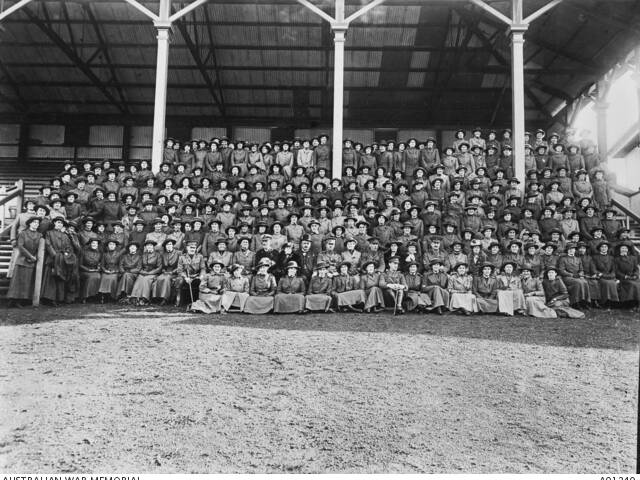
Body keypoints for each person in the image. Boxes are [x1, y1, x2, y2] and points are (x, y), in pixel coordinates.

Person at [41, 217, 79, 305]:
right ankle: (49, 299)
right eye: (58, 222)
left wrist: (66, 254)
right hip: (52, 259)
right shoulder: (49, 233)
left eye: (61, 223)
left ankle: (59, 298)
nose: (59, 224)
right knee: (51, 278)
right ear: (54, 223)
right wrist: (55, 256)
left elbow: (68, 247)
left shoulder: (65, 236)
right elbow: (48, 244)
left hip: (63, 260)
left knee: (60, 279)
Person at [6, 216, 42, 308]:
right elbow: (20, 246)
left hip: (31, 261)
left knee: (26, 282)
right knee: (17, 281)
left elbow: (40, 248)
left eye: (37, 223)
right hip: (22, 260)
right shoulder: (23, 233)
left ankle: (21, 301)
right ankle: (13, 300)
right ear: (30, 223)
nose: (36, 224)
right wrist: (29, 256)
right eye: (34, 222)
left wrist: (35, 257)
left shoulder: (39, 235)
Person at [556, 242, 590, 307]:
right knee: (578, 282)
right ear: (567, 250)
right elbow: (561, 270)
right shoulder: (563, 259)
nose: (572, 251)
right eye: (570, 249)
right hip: (567, 277)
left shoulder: (578, 259)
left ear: (575, 250)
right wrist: (571, 275)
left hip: (577, 276)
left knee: (585, 282)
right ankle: (575, 302)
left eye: (573, 249)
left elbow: (581, 269)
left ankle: (584, 302)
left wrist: (580, 274)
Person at [130, 239, 162, 306]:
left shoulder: (158, 255)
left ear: (153, 246)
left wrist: (150, 273)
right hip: (144, 272)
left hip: (153, 273)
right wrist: (142, 272)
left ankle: (145, 298)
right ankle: (136, 298)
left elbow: (159, 267)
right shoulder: (143, 255)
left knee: (146, 279)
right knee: (140, 278)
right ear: (146, 247)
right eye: (147, 246)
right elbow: (139, 267)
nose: (149, 247)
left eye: (150, 245)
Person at [175, 240, 206, 307]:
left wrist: (201, 276)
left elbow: (203, 268)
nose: (192, 249)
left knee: (202, 281)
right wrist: (185, 277)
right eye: (190, 247)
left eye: (194, 248)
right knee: (179, 280)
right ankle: (179, 300)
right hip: (186, 276)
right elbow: (180, 270)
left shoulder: (200, 256)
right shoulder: (182, 257)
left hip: (196, 276)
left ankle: (199, 300)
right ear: (187, 248)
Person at [152, 238, 180, 305]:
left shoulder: (178, 253)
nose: (169, 246)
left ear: (173, 245)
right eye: (167, 245)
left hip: (175, 272)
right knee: (158, 279)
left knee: (166, 279)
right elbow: (162, 265)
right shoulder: (163, 254)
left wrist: (173, 272)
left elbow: (180, 266)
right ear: (165, 246)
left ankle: (165, 298)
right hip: (165, 272)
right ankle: (157, 297)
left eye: (170, 244)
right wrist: (164, 270)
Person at [614, 244, 640, 311]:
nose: (624, 250)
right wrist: (624, 276)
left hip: (633, 277)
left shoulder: (633, 258)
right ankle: (631, 304)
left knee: (638, 284)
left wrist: (636, 275)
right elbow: (616, 271)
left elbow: (636, 268)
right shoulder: (616, 259)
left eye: (625, 248)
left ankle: (637, 304)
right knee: (632, 284)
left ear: (628, 250)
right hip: (623, 278)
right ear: (619, 250)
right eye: (622, 248)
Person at [79, 238, 102, 303]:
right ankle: (85, 296)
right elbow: (80, 265)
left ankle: (94, 296)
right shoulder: (84, 252)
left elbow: (101, 263)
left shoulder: (99, 253)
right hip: (85, 270)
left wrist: (98, 268)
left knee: (98, 277)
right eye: (93, 243)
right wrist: (88, 270)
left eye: (96, 243)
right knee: (91, 277)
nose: (94, 245)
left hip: (95, 270)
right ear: (90, 244)